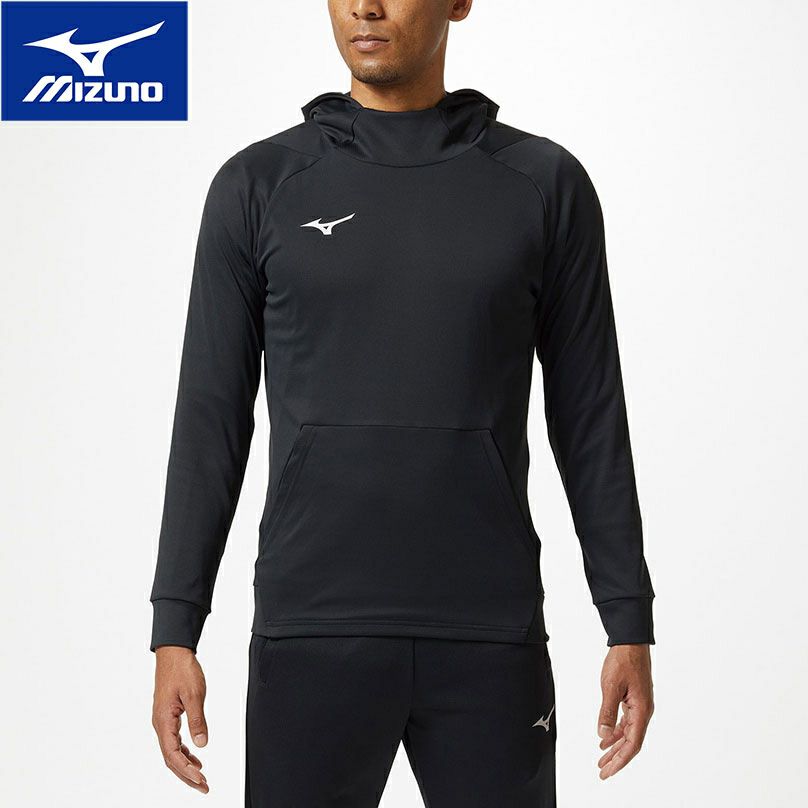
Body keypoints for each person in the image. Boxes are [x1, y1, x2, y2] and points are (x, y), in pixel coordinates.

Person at [149, 1, 656, 805]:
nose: (365, 5)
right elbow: (209, 419)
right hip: (310, 630)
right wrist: (175, 626)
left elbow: (590, 414)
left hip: (489, 635)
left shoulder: (541, 184)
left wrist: (627, 617)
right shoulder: (259, 186)